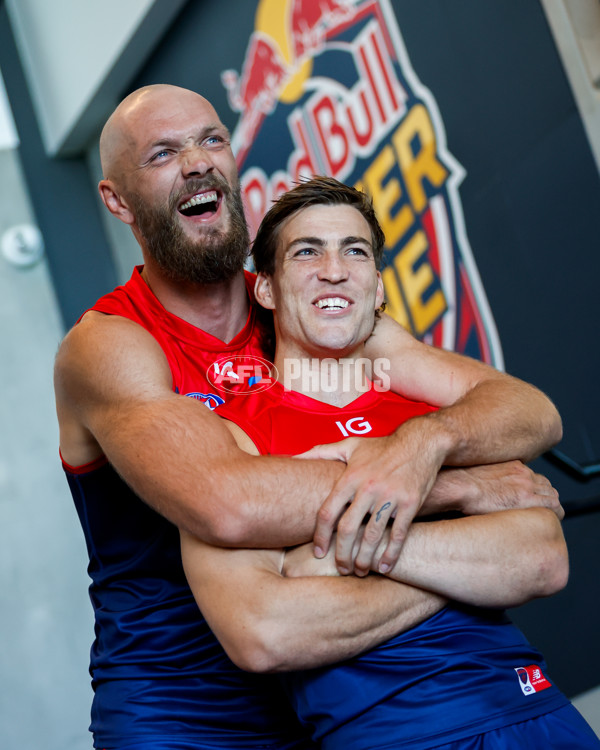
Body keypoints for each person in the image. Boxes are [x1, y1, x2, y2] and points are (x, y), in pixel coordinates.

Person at [54, 84, 564, 748]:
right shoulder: (111, 344)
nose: (198, 162)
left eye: (212, 139)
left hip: (330, 672)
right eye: (162, 153)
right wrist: (457, 488)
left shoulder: (301, 301)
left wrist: (428, 439)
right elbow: (228, 504)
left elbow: (527, 410)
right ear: (118, 200)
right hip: (181, 703)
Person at [180, 176, 599, 749]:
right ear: (267, 290)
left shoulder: (428, 408)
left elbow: (543, 557)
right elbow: (263, 633)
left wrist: (330, 551)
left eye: (355, 250)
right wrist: (473, 547)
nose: (334, 268)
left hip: (534, 710)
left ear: (377, 287)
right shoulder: (231, 433)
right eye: (307, 251)